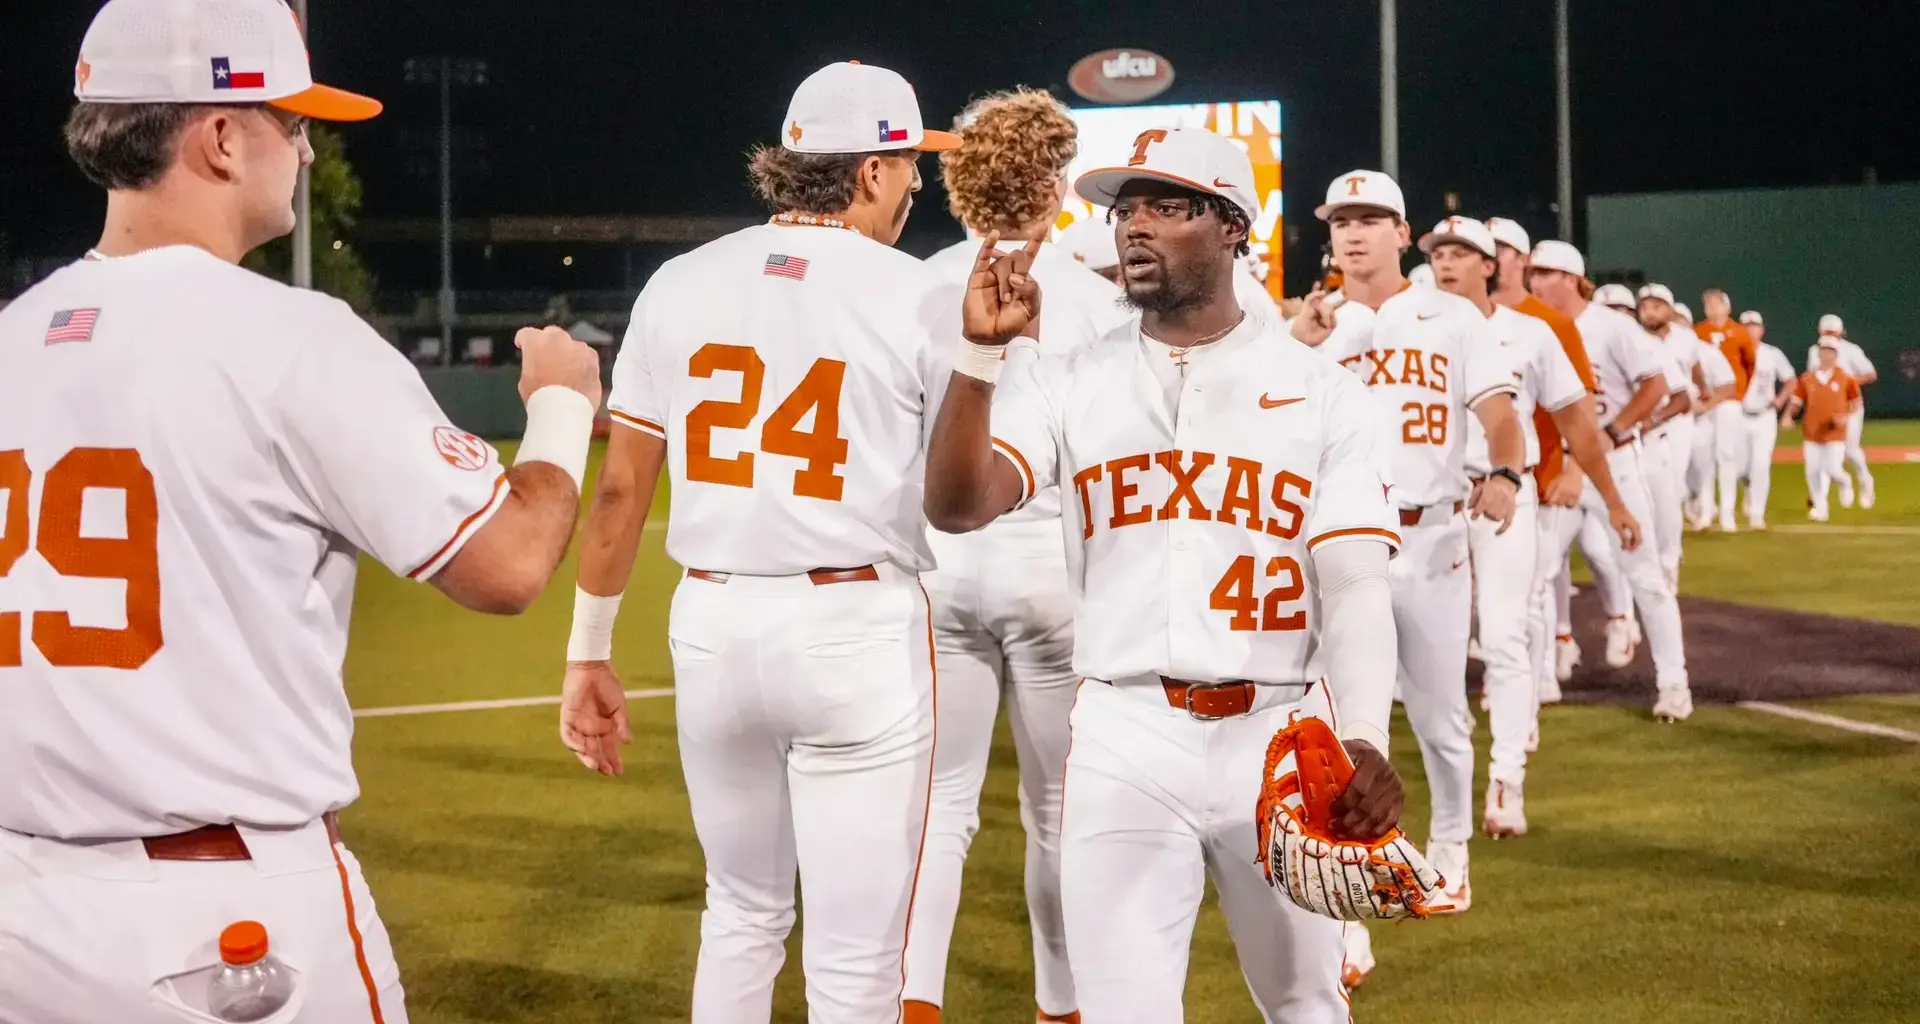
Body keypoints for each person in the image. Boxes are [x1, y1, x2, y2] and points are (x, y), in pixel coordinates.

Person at [0, 2, 603, 1020]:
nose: (309, 150)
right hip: (231, 919)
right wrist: (558, 407)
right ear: (222, 136)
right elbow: (507, 563)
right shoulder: (288, 336)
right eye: (293, 121)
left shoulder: (13, 335)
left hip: (25, 906)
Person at [924, 126, 1411, 1022]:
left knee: (1306, 1002)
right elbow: (958, 504)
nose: (1134, 227)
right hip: (1123, 731)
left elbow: (1352, 583)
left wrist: (1364, 736)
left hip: (1277, 732)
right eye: (1125, 209)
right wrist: (979, 357)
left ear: (1233, 227)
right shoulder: (1068, 378)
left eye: (1168, 206)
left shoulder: (1323, 393)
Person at [554, 61, 961, 1023]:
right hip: (853, 621)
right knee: (857, 962)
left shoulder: (682, 280)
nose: (916, 186)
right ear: (868, 173)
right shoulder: (917, 294)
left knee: (738, 913)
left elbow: (619, 492)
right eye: (907, 166)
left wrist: (587, 649)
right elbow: (959, 494)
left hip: (714, 620)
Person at [908, 87, 1127, 1024]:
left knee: (938, 810)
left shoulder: (915, 286)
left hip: (940, 565)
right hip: (1054, 575)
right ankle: (1060, 1005)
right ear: (1059, 183)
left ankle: (912, 1000)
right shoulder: (1098, 294)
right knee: (1056, 815)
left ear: (957, 181)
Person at [1292, 172, 1527, 986]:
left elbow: (1500, 411)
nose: (1353, 233)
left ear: (1403, 231)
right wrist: (1299, 340)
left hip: (1428, 541)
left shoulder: (1453, 316)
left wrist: (1504, 471)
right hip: (1331, 551)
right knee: (1337, 735)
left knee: (1439, 719)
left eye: (1369, 219)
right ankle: (1349, 914)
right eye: (1340, 220)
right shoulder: (1311, 324)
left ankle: (1452, 849)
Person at [1420, 218, 1623, 840]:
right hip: (1431, 501)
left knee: (1505, 636)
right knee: (1433, 650)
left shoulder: (1530, 333)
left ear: (1491, 266)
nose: (1447, 262)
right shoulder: (1407, 329)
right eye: (1438, 252)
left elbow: (1579, 423)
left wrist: (1612, 499)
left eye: (1462, 253)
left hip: (1510, 494)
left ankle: (1506, 778)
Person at [1526, 242, 1692, 722]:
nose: (1535, 281)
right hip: (1558, 468)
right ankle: (1540, 679)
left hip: (1613, 467)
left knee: (1646, 577)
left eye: (1545, 272)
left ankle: (1674, 684)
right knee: (1534, 577)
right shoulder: (1530, 327)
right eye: (1532, 272)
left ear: (1574, 278)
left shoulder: (1610, 325)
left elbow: (1658, 385)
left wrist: (1616, 430)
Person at [1483, 217, 1622, 703]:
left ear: (1521, 259)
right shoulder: (1459, 317)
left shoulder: (1552, 323)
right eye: (1489, 247)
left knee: (1535, 587)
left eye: (1503, 249)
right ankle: (1513, 676)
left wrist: (1574, 469)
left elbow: (1581, 406)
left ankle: (1540, 678)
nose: (1493, 256)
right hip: (1473, 482)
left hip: (1536, 475)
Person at [1693, 290, 1758, 530]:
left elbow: (1750, 365)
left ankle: (1727, 513)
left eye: (1715, 302)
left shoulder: (1740, 332)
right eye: (1707, 303)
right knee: (1704, 457)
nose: (1710, 306)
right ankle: (1706, 509)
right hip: (1705, 400)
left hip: (1729, 400)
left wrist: (1739, 392)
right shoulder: (1698, 332)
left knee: (1726, 454)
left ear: (1727, 306)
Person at [1781, 341, 1864, 521]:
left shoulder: (1846, 378)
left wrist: (1844, 416)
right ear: (1819, 354)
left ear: (1836, 355)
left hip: (1834, 432)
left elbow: (1855, 402)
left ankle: (1845, 482)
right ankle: (1821, 508)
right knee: (1812, 471)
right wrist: (1788, 416)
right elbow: (1797, 401)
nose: (1827, 355)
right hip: (1811, 431)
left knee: (1833, 469)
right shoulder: (1807, 378)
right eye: (1824, 352)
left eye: (1830, 352)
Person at [1804, 315, 1878, 509]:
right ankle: (1820, 499)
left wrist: (1846, 383)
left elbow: (1870, 373)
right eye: (1827, 332)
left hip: (1849, 407)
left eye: (1832, 332)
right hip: (1823, 409)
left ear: (1840, 332)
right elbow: (1812, 377)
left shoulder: (1850, 350)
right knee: (1821, 452)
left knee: (1851, 449)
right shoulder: (1814, 351)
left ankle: (1865, 482)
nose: (1830, 336)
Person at [1735, 312, 1797, 528]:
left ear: (1762, 330)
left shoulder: (1772, 354)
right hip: (1738, 415)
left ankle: (1757, 514)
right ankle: (1748, 489)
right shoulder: (1732, 353)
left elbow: (1791, 380)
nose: (1750, 330)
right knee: (1740, 467)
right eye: (1746, 326)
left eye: (1754, 326)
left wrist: (1780, 401)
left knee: (1761, 464)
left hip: (1764, 416)